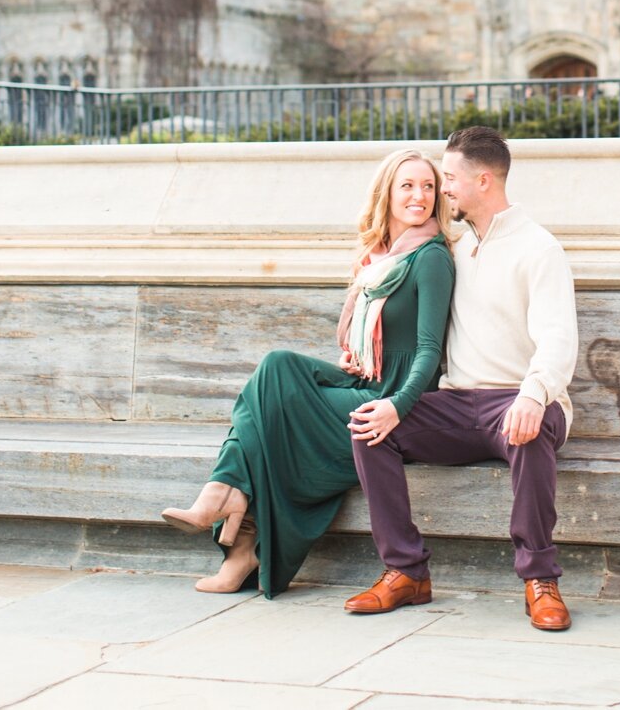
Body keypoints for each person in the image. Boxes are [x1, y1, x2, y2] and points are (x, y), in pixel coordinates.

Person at [160, 147, 455, 599]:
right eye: (408, 186)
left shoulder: (430, 257)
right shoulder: (379, 259)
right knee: (277, 367)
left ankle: (232, 515)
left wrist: (396, 406)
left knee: (270, 409)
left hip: (395, 402)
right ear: (387, 194)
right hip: (367, 380)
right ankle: (231, 505)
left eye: (429, 186)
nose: (420, 195)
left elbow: (429, 353)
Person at [345, 124, 578, 631]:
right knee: (369, 426)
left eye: (448, 178)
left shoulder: (538, 248)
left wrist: (534, 394)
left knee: (529, 429)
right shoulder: (455, 245)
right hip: (457, 404)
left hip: (521, 399)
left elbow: (559, 338)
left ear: (485, 181)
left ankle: (540, 580)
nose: (440, 189)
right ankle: (405, 572)